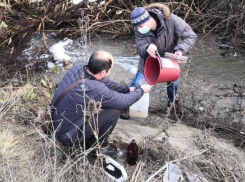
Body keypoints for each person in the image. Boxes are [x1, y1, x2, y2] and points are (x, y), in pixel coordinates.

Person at [51, 50, 152, 152]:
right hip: (68, 136)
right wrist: (142, 90)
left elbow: (106, 82)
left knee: (105, 104)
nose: (110, 71)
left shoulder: (80, 68)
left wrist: (127, 90)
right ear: (103, 72)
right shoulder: (95, 89)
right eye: (111, 69)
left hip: (56, 122)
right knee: (114, 112)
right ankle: (94, 149)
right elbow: (124, 102)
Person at [120, 3, 197, 119]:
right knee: (137, 84)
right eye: (136, 27)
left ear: (149, 19)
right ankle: (125, 106)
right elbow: (140, 47)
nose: (139, 29)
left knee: (173, 85)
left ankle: (172, 105)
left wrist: (180, 50)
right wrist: (147, 48)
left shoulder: (172, 21)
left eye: (141, 26)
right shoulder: (139, 29)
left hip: (170, 61)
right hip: (148, 62)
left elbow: (190, 36)